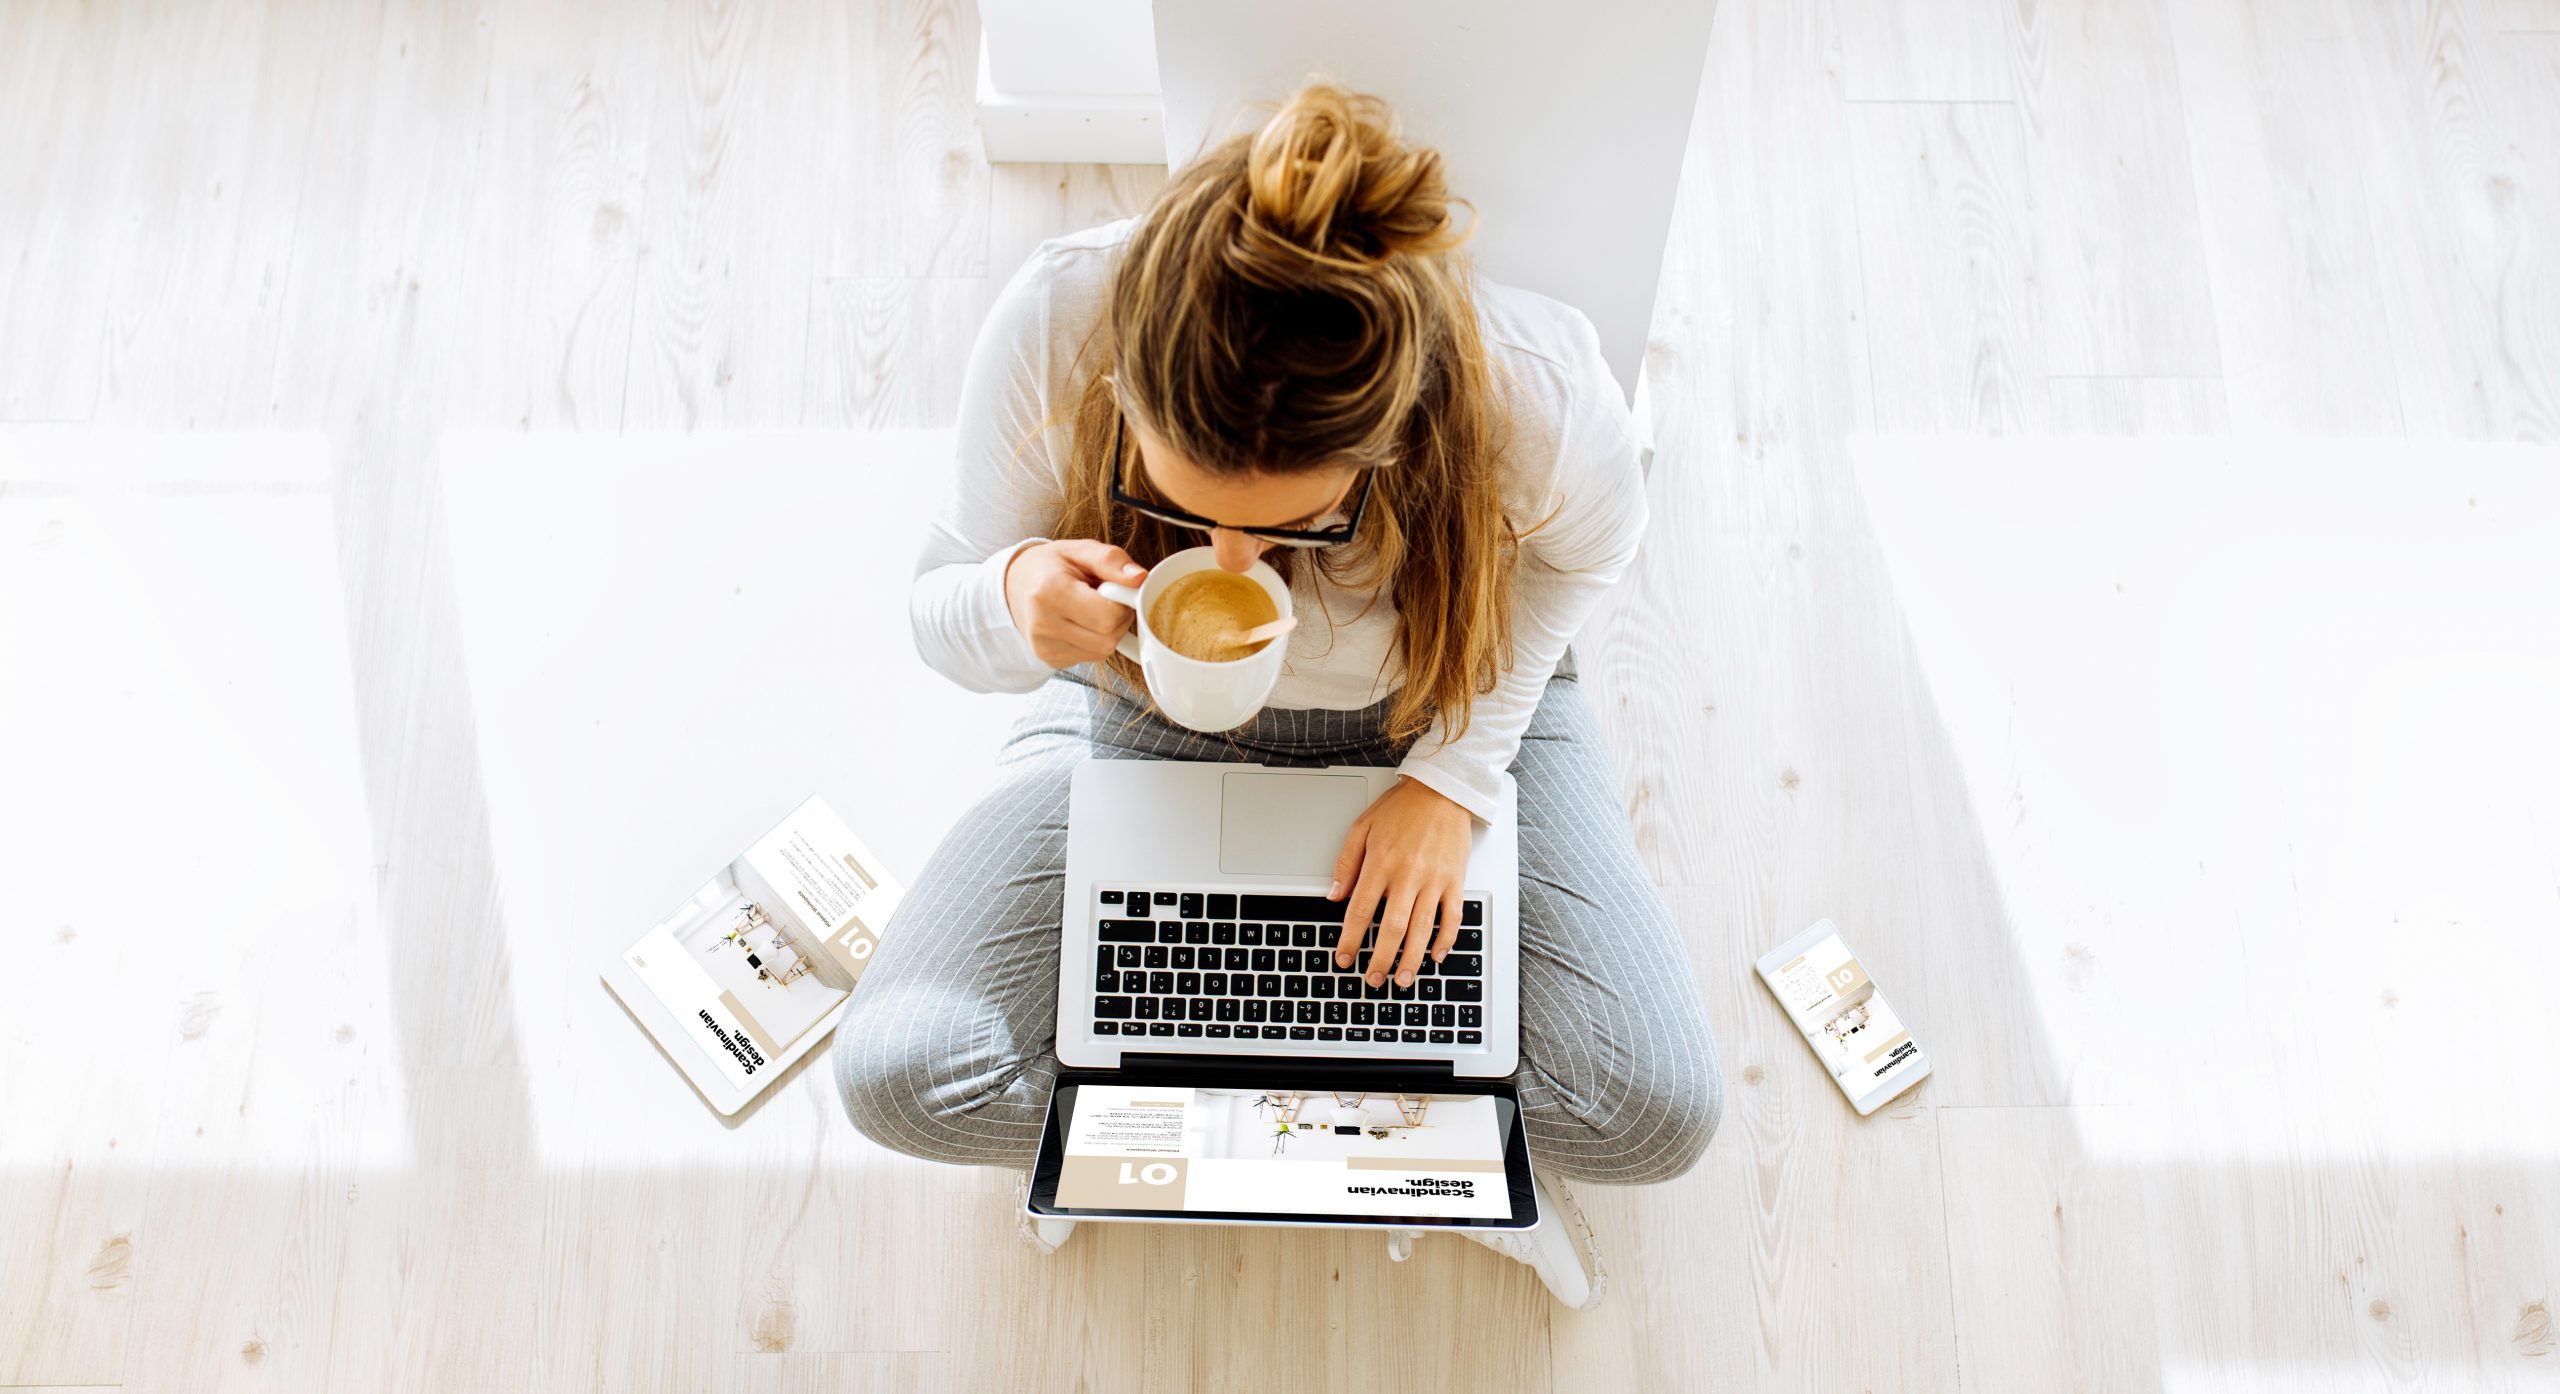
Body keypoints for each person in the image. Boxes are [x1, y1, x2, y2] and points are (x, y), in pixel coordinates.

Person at [834, 78, 1721, 1304]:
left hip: (1444, 703)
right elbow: (937, 604)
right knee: (902, 1073)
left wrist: (1454, 780)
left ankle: (1192, 1139)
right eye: (1183, 508)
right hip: (1151, 713)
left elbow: (1585, 557)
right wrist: (1012, 593)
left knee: (1653, 1108)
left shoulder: (1538, 387)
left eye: (1301, 519)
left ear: (1389, 439)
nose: (1240, 565)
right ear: (1125, 397)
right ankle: (1381, 1156)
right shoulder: (1055, 317)